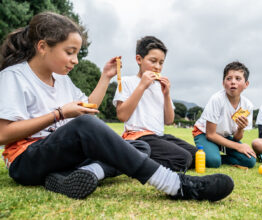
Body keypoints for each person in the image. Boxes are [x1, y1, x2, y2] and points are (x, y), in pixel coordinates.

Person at [0, 12, 234, 201]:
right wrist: (59, 114)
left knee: (139, 146)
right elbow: (3, 134)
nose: (75, 60)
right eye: (70, 52)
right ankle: (174, 184)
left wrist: (105, 77)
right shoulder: (15, 77)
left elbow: (87, 107)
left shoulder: (61, 79)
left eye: (77, 53)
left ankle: (81, 175)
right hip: (25, 160)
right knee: (86, 125)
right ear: (42, 47)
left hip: (59, 158)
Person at [113, 36, 197, 172]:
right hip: (137, 136)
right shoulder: (127, 81)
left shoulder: (160, 87)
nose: (157, 67)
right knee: (183, 159)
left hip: (158, 136)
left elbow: (169, 121)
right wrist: (142, 86)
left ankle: (139, 157)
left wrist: (167, 93)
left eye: (161, 63)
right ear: (139, 59)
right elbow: (122, 115)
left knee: (196, 156)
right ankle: (133, 156)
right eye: (153, 61)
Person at [192, 61, 256, 168]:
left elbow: (236, 138)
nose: (233, 82)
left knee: (250, 161)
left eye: (238, 78)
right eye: (229, 78)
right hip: (203, 133)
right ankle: (205, 155)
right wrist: (238, 147)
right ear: (223, 83)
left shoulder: (248, 105)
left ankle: (212, 155)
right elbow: (210, 134)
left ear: (246, 84)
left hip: (224, 137)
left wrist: (240, 129)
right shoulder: (217, 99)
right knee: (213, 162)